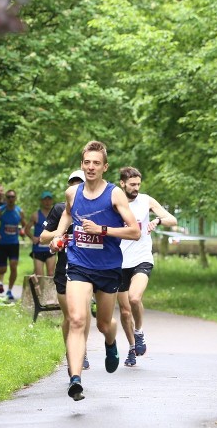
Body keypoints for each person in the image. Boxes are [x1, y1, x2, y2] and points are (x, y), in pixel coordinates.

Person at [48, 141, 140, 401]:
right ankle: (75, 379)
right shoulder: (72, 193)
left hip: (109, 267)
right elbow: (67, 215)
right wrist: (57, 236)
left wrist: (102, 230)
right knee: (77, 319)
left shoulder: (114, 195)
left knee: (103, 323)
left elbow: (134, 231)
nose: (91, 167)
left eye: (96, 163)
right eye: (87, 162)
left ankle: (111, 343)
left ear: (104, 167)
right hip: (79, 264)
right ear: (81, 164)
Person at [116, 167, 178, 367]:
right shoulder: (114, 201)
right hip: (118, 261)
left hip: (142, 257)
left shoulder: (146, 200)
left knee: (135, 297)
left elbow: (172, 220)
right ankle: (132, 348)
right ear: (122, 183)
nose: (135, 188)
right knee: (125, 312)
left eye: (138, 185)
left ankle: (139, 331)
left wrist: (158, 220)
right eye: (132, 184)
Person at [39, 170, 91, 369]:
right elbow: (43, 237)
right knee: (70, 316)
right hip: (64, 269)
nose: (75, 187)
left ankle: (81, 351)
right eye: (72, 184)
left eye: (80, 184)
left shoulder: (95, 210)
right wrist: (60, 235)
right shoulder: (59, 209)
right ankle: (71, 352)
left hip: (86, 269)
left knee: (82, 313)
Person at [0, 189, 26, 301]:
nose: (10, 199)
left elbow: (24, 225)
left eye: (12, 197)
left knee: (13, 266)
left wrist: (23, 231)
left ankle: (9, 290)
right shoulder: (0, 211)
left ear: (15, 198)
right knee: (3, 269)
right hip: (2, 243)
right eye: (8, 197)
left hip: (14, 243)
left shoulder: (19, 211)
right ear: (5, 198)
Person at [27, 191, 57, 277]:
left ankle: (48, 291)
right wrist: (32, 238)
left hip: (50, 248)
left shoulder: (55, 214)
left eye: (49, 199)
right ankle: (38, 289)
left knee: (51, 274)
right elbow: (27, 229)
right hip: (38, 249)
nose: (47, 202)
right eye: (45, 199)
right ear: (41, 201)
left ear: (52, 201)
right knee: (39, 276)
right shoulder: (36, 215)